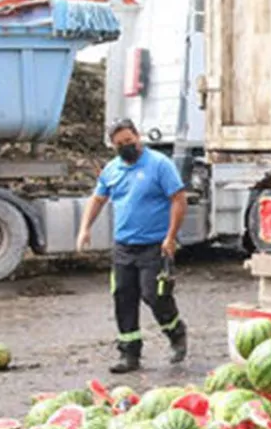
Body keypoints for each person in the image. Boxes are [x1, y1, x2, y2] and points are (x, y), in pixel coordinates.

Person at [76, 118, 189, 373]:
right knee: (123, 298)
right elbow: (97, 199)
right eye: (119, 144)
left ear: (138, 137)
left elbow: (179, 200)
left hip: (155, 246)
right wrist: (85, 228)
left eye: (129, 141)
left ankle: (176, 333)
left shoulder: (160, 165)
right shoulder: (112, 170)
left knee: (154, 295)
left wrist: (171, 237)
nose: (126, 146)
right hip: (124, 247)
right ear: (113, 146)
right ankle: (130, 355)